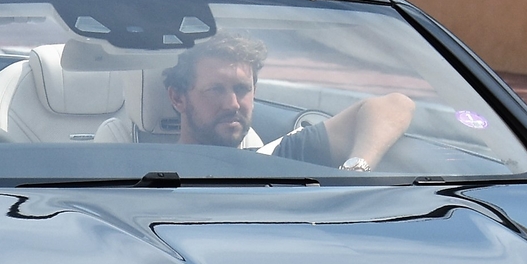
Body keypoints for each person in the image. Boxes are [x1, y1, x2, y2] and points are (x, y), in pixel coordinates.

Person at [92, 36, 416, 170]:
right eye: (215, 89)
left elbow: (394, 105)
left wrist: (356, 169)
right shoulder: (139, 171)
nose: (233, 103)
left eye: (242, 89)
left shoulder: (273, 156)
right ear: (178, 97)